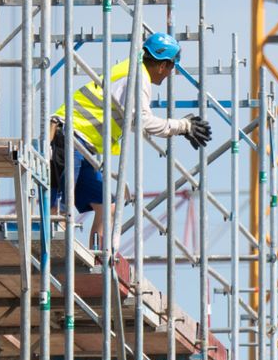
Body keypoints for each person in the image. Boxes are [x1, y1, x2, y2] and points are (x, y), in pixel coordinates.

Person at [51, 30, 211, 233]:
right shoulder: (137, 76)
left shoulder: (134, 70)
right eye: (172, 68)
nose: (171, 73)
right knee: (59, 213)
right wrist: (183, 126)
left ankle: (101, 260)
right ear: (163, 65)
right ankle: (52, 258)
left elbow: (133, 120)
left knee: (107, 207)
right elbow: (142, 121)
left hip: (83, 145)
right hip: (68, 137)